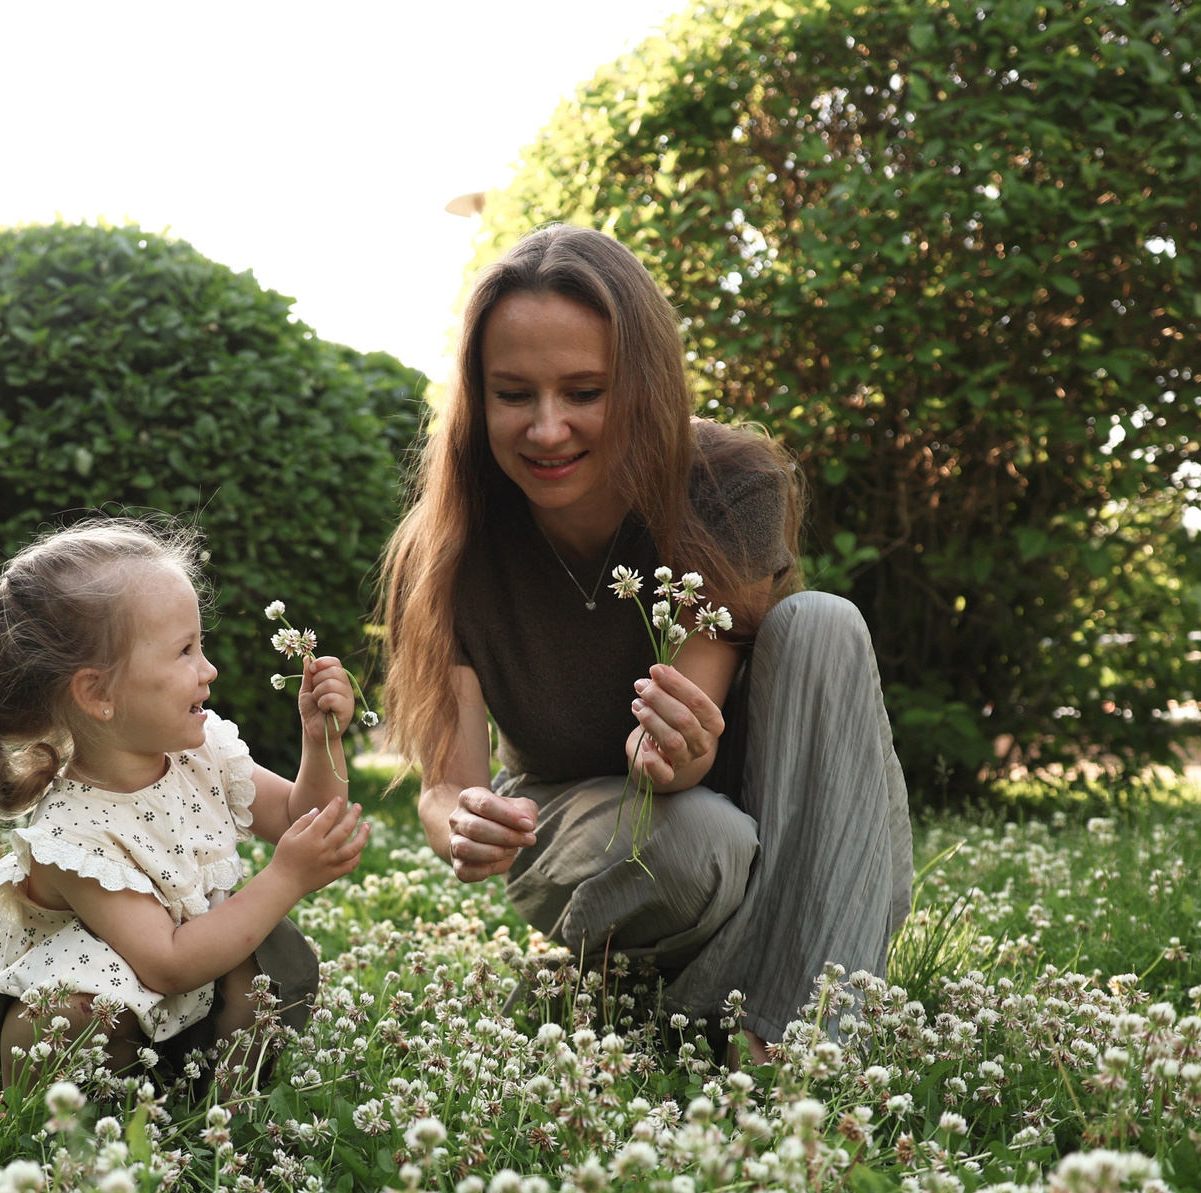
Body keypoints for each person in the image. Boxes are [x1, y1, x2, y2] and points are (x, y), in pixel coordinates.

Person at [376, 225, 911, 1053]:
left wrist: (674, 748)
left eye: (584, 392)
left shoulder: (731, 484)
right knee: (699, 842)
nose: (547, 429)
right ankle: (768, 1009)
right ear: (477, 398)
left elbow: (681, 753)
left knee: (824, 624)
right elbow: (448, 784)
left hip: (780, 814)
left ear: (643, 384)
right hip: (586, 825)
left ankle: (764, 1034)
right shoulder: (448, 545)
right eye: (513, 394)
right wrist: (462, 820)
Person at [0, 518, 371, 1088]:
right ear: (98, 694)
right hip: (112, 1012)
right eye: (184, 651)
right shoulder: (70, 833)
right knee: (62, 1017)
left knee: (269, 954)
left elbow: (307, 821)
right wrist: (285, 879)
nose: (209, 669)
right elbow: (168, 962)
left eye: (200, 646)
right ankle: (68, 1107)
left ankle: (217, 1094)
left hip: (196, 995)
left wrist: (320, 737)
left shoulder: (204, 752)